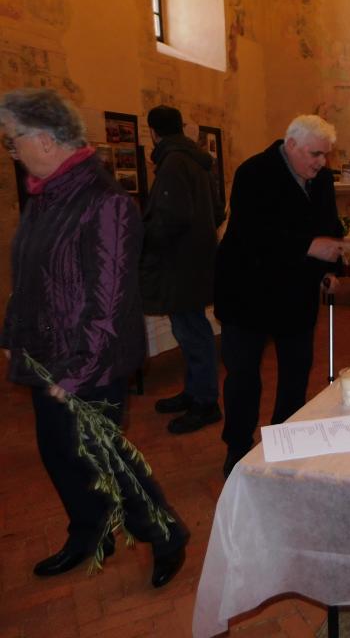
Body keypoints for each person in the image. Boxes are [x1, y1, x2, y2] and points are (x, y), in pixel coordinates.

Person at [0, 88, 186, 586]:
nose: (11, 151)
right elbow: (28, 274)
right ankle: (89, 532)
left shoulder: (106, 203)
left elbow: (110, 302)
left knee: (105, 459)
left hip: (89, 362)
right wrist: (12, 332)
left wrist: (77, 374)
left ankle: (166, 534)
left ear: (44, 139)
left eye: (13, 141)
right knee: (59, 454)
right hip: (45, 353)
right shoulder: (45, 196)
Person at [215, 114, 350, 477]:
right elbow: (251, 234)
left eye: (325, 154)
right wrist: (309, 246)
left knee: (296, 370)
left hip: (295, 290)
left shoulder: (321, 179)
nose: (322, 162)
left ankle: (285, 440)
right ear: (291, 144)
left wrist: (329, 269)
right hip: (247, 290)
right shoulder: (253, 173)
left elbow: (329, 225)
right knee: (243, 376)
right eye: (315, 154)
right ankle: (238, 447)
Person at [141, 105, 225, 434]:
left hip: (180, 264)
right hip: (195, 260)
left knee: (193, 332)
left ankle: (205, 403)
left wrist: (145, 238)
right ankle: (194, 392)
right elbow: (216, 211)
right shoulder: (194, 160)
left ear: (153, 132)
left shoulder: (174, 161)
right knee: (190, 330)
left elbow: (170, 218)